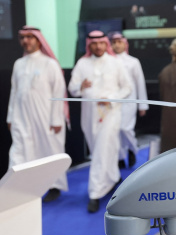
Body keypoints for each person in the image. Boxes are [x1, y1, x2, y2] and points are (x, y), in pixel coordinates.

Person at [68, 30, 132, 213]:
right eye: (94, 43)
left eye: (101, 43)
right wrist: (81, 87)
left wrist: (111, 98)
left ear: (106, 44)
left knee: (101, 150)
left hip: (111, 113)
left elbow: (127, 87)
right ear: (89, 45)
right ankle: (112, 177)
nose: (98, 46)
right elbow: (72, 89)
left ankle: (95, 193)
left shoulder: (116, 63)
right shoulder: (82, 63)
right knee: (102, 149)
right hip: (89, 115)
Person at [7, 26, 69, 202]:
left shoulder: (50, 64)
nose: (26, 41)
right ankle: (16, 188)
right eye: (23, 38)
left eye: (30, 37)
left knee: (49, 150)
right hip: (21, 116)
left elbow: (59, 92)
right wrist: (10, 117)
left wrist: (56, 119)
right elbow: (14, 91)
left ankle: (54, 186)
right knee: (19, 150)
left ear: (38, 40)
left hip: (46, 117)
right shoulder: (19, 64)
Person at [110, 32, 149, 168]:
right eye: (114, 42)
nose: (116, 45)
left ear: (125, 44)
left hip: (129, 102)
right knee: (115, 131)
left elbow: (140, 83)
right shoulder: (109, 61)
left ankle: (132, 149)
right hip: (113, 103)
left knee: (125, 129)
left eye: (119, 42)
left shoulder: (133, 61)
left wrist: (142, 105)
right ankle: (120, 157)